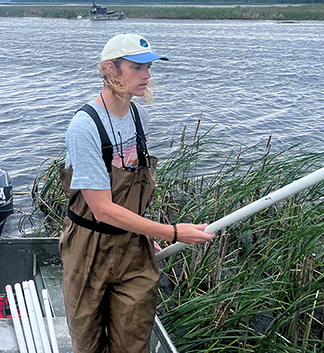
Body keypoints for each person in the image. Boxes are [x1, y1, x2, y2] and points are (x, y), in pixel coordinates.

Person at [59, 33, 215, 353]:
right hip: (88, 248)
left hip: (133, 248)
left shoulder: (138, 117)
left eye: (149, 67)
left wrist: (142, 233)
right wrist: (171, 231)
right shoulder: (85, 126)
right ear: (110, 69)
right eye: (137, 67)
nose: (147, 75)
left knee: (134, 341)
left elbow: (131, 191)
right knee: (87, 342)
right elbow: (102, 209)